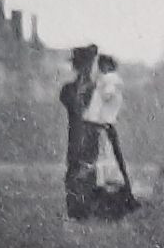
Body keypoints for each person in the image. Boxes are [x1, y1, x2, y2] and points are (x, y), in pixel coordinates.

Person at [58, 45, 132, 221]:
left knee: (97, 178)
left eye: (88, 64)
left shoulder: (96, 88)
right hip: (80, 140)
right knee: (80, 178)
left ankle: (98, 215)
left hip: (93, 139)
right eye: (82, 65)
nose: (86, 68)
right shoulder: (71, 90)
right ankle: (81, 215)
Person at [84, 54, 140, 209]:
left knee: (106, 159)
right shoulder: (110, 81)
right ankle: (122, 195)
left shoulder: (109, 80)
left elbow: (107, 95)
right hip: (105, 124)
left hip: (103, 125)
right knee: (112, 160)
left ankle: (111, 195)